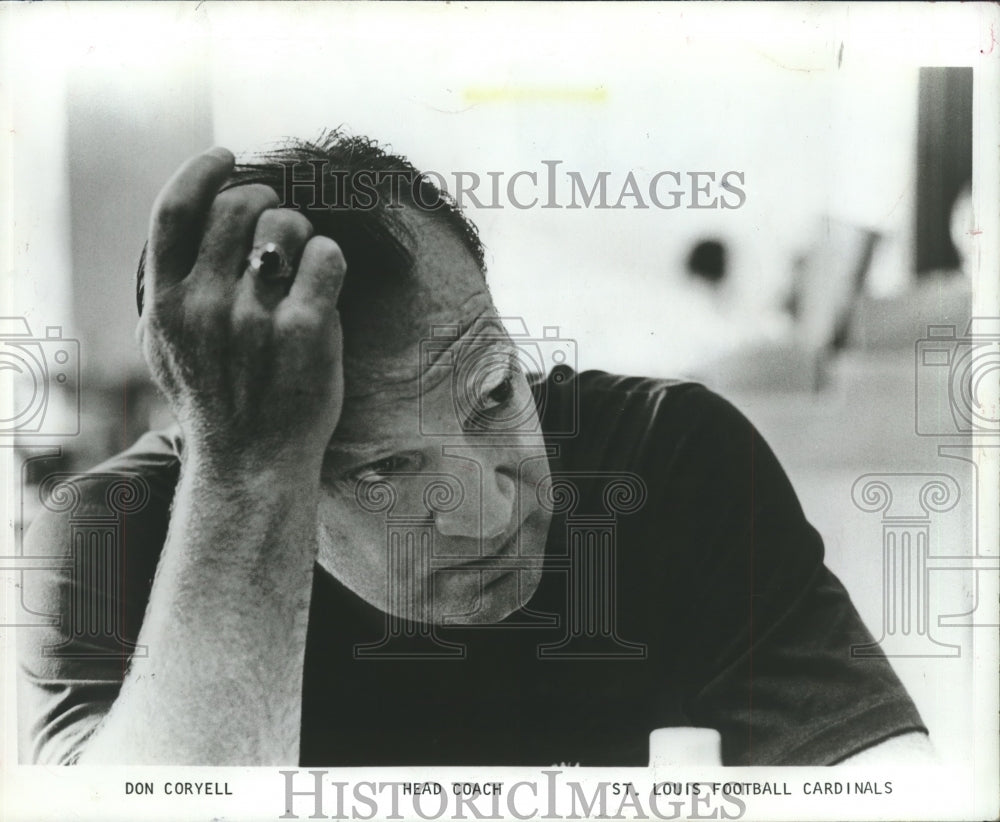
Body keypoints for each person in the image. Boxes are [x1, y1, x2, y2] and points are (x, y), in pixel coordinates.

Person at [18, 132, 932, 767]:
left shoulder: (669, 461)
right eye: (382, 468)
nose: (494, 510)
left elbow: (888, 781)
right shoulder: (118, 538)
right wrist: (248, 474)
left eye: (496, 394)